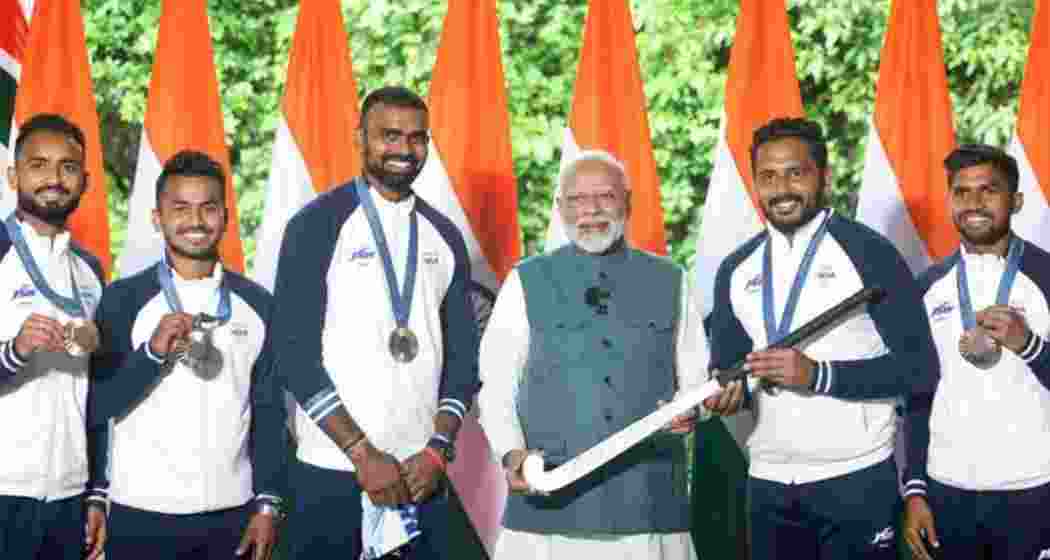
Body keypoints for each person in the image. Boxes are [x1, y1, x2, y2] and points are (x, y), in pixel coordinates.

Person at [705, 117, 939, 559]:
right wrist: (726, 395)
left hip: (856, 478)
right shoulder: (736, 269)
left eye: (796, 172)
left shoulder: (869, 253)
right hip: (768, 482)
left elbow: (920, 370)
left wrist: (817, 374)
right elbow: (729, 371)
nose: (782, 188)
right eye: (768, 176)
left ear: (823, 176)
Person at [270, 85, 478, 559]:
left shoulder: (444, 235)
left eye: (417, 138)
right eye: (389, 136)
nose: (404, 150)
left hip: (419, 471)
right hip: (332, 467)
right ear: (360, 138)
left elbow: (464, 359)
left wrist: (436, 450)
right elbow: (293, 354)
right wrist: (361, 453)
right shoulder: (316, 225)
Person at [477, 149, 708, 560]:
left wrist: (692, 410)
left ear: (628, 202)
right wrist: (513, 455)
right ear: (560, 207)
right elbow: (495, 388)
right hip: (547, 510)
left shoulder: (673, 281)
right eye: (578, 200)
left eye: (605, 196)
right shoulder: (526, 281)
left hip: (649, 508)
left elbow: (697, 384)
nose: (592, 210)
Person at [86, 150, 287, 560]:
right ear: (157, 217)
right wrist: (151, 354)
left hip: (232, 512)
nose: (195, 222)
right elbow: (98, 404)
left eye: (208, 208)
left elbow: (269, 413)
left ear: (226, 217)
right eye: (180, 208)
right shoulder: (122, 300)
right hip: (139, 510)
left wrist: (267, 502)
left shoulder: (258, 304)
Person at [903, 145, 1050, 560]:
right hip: (948, 490)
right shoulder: (926, 288)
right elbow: (917, 397)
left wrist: (1029, 344)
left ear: (1016, 200)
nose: (974, 203)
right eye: (961, 191)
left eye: (989, 190)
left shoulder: (1047, 277)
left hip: (1035, 489)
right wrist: (915, 490)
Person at [0, 113, 107, 560]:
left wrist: (96, 491)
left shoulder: (90, 273)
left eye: (67, 167)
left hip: (67, 494)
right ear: (13, 175)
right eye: (39, 164)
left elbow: (97, 394)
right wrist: (14, 351)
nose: (54, 179)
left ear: (84, 181)